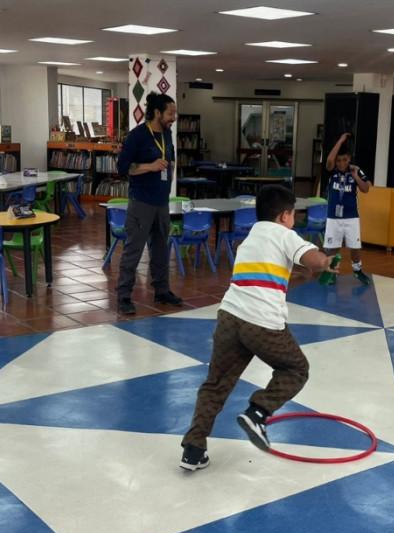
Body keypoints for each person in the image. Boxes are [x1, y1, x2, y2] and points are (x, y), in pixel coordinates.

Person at [179, 185, 337, 471]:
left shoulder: (252, 236)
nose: (294, 221)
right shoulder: (285, 234)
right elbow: (312, 258)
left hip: (229, 316)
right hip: (262, 322)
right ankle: (258, 411)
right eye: (293, 215)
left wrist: (302, 268)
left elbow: (275, 266)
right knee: (296, 369)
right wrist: (326, 261)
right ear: (284, 215)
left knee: (216, 384)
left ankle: (193, 448)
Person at [115, 92, 182, 315]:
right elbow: (123, 168)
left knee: (161, 249)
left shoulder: (167, 135)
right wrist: (149, 166)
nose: (173, 117)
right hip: (141, 202)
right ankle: (124, 295)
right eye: (170, 113)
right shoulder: (137, 136)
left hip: (162, 202)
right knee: (133, 250)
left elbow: (169, 161)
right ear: (156, 113)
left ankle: (162, 290)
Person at [322, 133, 372, 285]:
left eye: (344, 160)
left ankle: (357, 271)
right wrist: (341, 140)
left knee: (355, 247)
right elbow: (329, 161)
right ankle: (331, 272)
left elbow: (366, 188)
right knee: (332, 247)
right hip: (333, 217)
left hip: (351, 216)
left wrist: (356, 176)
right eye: (339, 160)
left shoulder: (356, 170)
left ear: (349, 158)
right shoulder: (332, 171)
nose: (341, 163)